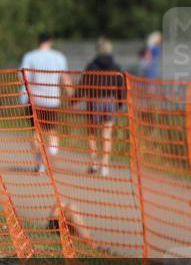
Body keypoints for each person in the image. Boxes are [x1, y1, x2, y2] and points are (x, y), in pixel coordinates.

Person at [20, 32, 70, 175]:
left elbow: (23, 78)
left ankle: (39, 160)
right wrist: (71, 95)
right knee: (52, 131)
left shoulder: (29, 57)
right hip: (52, 100)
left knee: (36, 131)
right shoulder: (59, 57)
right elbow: (65, 78)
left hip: (35, 100)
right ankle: (50, 160)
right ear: (51, 41)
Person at [77, 37, 125, 177]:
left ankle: (94, 162)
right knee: (107, 133)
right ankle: (105, 165)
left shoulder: (91, 66)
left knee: (92, 132)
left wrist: (74, 99)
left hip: (95, 101)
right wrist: (120, 103)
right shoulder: (116, 67)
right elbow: (120, 87)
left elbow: (83, 84)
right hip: (110, 101)